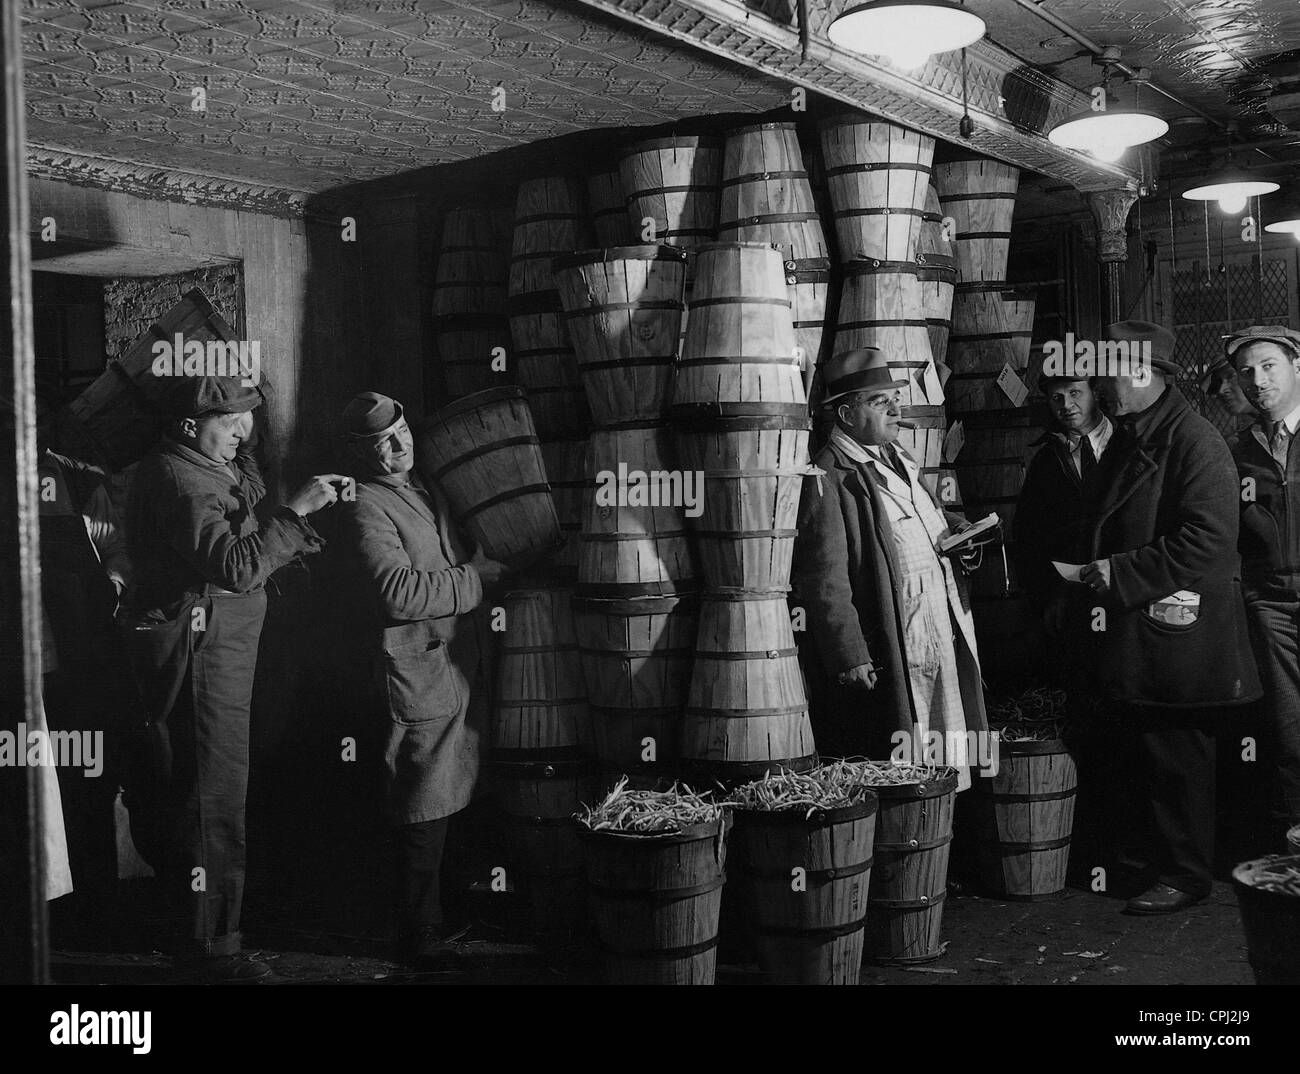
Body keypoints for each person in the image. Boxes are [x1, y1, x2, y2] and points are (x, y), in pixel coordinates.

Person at [121, 374, 344, 980]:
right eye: (228, 421)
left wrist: (297, 529)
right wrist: (295, 513)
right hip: (203, 650)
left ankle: (202, 922)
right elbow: (235, 566)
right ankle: (212, 947)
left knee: (211, 782)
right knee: (210, 789)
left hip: (222, 646)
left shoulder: (209, 465)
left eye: (249, 417)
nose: (243, 431)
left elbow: (243, 533)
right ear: (190, 426)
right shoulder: (180, 478)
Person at [1083, 321, 1261, 914]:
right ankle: (1160, 862)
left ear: (1144, 374)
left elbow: (1209, 540)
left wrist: (1123, 572)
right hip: (1148, 627)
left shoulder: (1194, 441)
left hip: (1179, 629)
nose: (1103, 384)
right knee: (1155, 752)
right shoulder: (1140, 435)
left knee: (1179, 755)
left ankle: (1186, 876)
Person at [332, 392, 505, 971]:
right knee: (422, 798)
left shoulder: (427, 487)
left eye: (403, 431)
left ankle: (454, 913)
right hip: (415, 669)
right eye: (384, 442)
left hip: (457, 664)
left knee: (459, 785)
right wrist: (474, 580)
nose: (400, 446)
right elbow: (398, 593)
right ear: (360, 453)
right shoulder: (365, 506)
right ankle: (420, 932)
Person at [792, 349, 988, 788]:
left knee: (950, 744)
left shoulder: (897, 456)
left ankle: (946, 830)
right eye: (880, 402)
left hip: (940, 622)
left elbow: (926, 517)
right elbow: (823, 576)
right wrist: (850, 654)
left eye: (894, 398)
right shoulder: (830, 476)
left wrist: (960, 533)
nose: (897, 409)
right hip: (898, 637)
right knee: (911, 754)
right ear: (846, 413)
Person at [1226, 325, 1300, 843]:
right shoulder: (1238, 451)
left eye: (1270, 365)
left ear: (1297, 368)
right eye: (1247, 372)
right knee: (1287, 722)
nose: (1258, 380)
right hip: (1271, 602)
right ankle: (1293, 832)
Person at [1015, 364, 1115, 649]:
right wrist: (1048, 597)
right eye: (1056, 398)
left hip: (1124, 587)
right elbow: (1029, 536)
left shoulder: (1129, 444)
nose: (1066, 405)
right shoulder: (1046, 459)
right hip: (1069, 596)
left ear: (1095, 392)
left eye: (1075, 393)